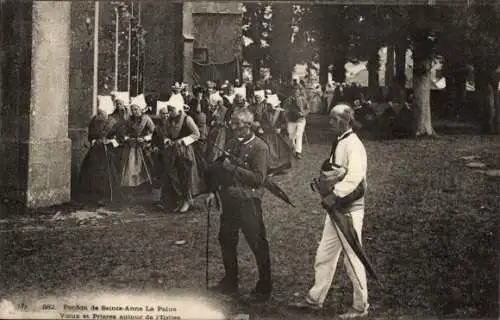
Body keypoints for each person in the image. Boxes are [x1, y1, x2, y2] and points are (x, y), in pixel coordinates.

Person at [293, 104, 369, 319]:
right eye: (330, 119)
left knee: (353, 258)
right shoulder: (340, 141)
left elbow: (355, 177)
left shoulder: (354, 144)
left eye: (335, 120)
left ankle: (360, 306)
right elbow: (336, 171)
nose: (330, 123)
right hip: (335, 207)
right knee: (324, 254)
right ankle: (315, 299)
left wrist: (334, 195)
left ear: (347, 121)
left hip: (349, 210)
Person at [206, 108, 272, 302]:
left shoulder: (260, 147)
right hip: (230, 201)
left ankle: (264, 285)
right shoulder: (232, 143)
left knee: (257, 242)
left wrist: (233, 168)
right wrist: (212, 189)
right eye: (232, 124)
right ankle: (230, 281)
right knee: (226, 240)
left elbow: (259, 179)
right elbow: (219, 167)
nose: (234, 128)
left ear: (249, 126)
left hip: (249, 202)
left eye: (238, 125)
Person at [153, 101, 204, 213]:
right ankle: (174, 201)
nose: (170, 112)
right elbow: (165, 134)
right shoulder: (168, 120)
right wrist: (167, 140)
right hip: (172, 151)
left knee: (184, 174)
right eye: (169, 109)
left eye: (172, 110)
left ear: (178, 109)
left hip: (184, 151)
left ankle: (187, 200)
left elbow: (196, 134)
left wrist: (184, 140)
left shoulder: (187, 119)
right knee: (172, 175)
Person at [76, 107, 121, 205]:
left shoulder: (115, 122)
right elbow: (91, 135)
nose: (101, 114)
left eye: (104, 111)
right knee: (91, 171)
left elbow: (120, 137)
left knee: (108, 173)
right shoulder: (94, 120)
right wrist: (94, 141)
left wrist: (110, 141)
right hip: (96, 150)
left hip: (108, 150)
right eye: (100, 112)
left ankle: (106, 196)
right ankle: (91, 196)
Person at [120, 103, 156, 193]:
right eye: (132, 110)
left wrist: (144, 138)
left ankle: (146, 186)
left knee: (143, 166)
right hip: (132, 145)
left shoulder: (146, 119)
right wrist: (127, 138)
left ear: (141, 109)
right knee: (131, 165)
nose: (134, 112)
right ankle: (133, 186)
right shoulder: (129, 120)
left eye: (136, 109)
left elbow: (154, 133)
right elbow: (125, 132)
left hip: (143, 145)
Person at [258, 94, 292, 175]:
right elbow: (262, 122)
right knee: (269, 151)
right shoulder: (265, 113)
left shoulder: (281, 113)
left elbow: (286, 123)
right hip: (268, 134)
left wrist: (281, 128)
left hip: (278, 135)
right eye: (267, 105)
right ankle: (271, 168)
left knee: (281, 151)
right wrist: (263, 128)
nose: (267, 106)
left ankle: (278, 168)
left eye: (269, 105)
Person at [283, 86, 309, 159]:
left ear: (299, 92)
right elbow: (284, 107)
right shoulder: (288, 99)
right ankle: (293, 147)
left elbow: (308, 109)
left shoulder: (303, 99)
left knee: (299, 135)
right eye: (294, 91)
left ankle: (298, 152)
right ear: (292, 92)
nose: (295, 93)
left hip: (300, 120)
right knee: (291, 136)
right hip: (291, 120)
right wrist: (286, 114)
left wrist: (303, 113)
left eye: (297, 91)